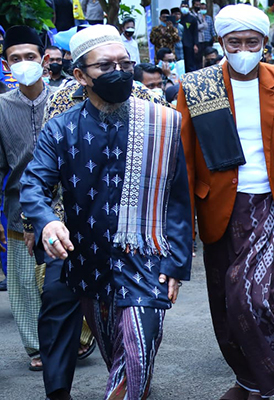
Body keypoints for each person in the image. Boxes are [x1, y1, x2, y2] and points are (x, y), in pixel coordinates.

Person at [21, 24, 192, 399]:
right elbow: (33, 185)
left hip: (146, 258)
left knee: (137, 351)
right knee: (119, 351)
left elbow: (178, 199)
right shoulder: (60, 130)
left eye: (124, 64)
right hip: (87, 260)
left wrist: (176, 263)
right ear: (81, 75)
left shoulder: (161, 123)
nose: (118, 72)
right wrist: (48, 220)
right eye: (105, 66)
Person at [176, 5, 274, 398]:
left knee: (249, 297)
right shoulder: (198, 85)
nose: (244, 48)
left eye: (252, 42)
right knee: (225, 305)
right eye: (234, 42)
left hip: (271, 201)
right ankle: (249, 379)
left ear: (264, 43)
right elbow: (185, 154)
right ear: (221, 43)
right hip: (217, 206)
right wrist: (182, 219)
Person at [0, 25, 53, 373]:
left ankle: (75, 338)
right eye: (15, 58)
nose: (23, 63)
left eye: (29, 57)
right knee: (21, 281)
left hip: (64, 208)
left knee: (59, 279)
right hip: (18, 209)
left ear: (44, 60)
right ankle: (36, 347)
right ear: (6, 64)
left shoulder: (65, 99)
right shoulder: (1, 107)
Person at [179, 0, 199, 72]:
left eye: (186, 6)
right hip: (179, 45)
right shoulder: (178, 19)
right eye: (183, 6)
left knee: (190, 63)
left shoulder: (192, 19)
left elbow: (195, 32)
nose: (184, 8)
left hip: (189, 44)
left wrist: (195, 44)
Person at [198, 2, 216, 66]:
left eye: (204, 8)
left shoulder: (209, 18)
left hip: (208, 39)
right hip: (200, 40)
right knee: (200, 55)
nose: (203, 9)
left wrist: (214, 36)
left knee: (208, 53)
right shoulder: (197, 18)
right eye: (201, 8)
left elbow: (212, 28)